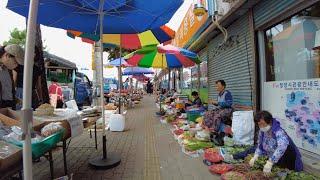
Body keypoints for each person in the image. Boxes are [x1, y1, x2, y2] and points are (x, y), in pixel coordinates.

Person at [0, 44, 23, 109]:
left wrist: (15, 99)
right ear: (7, 55)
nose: (17, 65)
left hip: (9, 106)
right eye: (15, 62)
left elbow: (7, 89)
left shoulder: (8, 69)